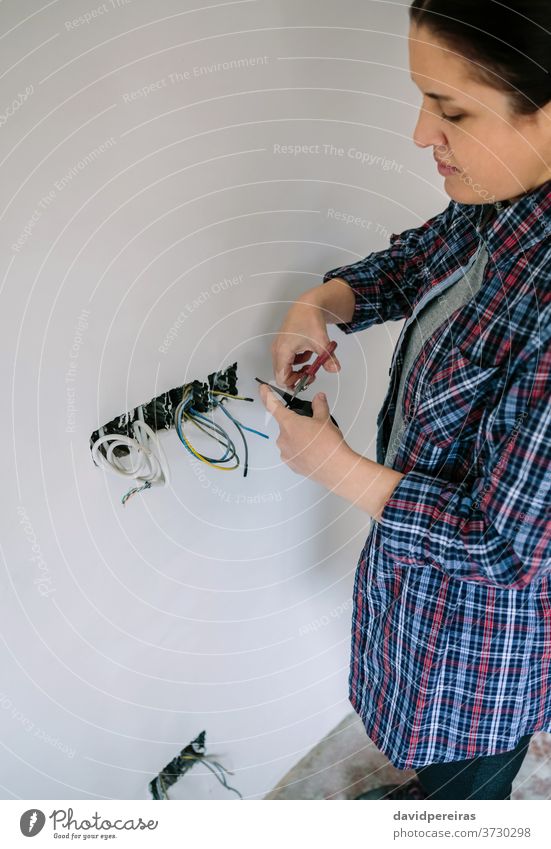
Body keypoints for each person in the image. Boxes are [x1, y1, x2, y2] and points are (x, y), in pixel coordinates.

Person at [258, 0, 551, 800]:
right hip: (420, 603)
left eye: (452, 110)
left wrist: (334, 465)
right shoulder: (505, 203)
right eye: (424, 100)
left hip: (486, 648)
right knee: (431, 755)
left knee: (468, 778)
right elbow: (426, 254)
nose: (422, 135)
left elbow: (502, 544)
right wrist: (324, 301)